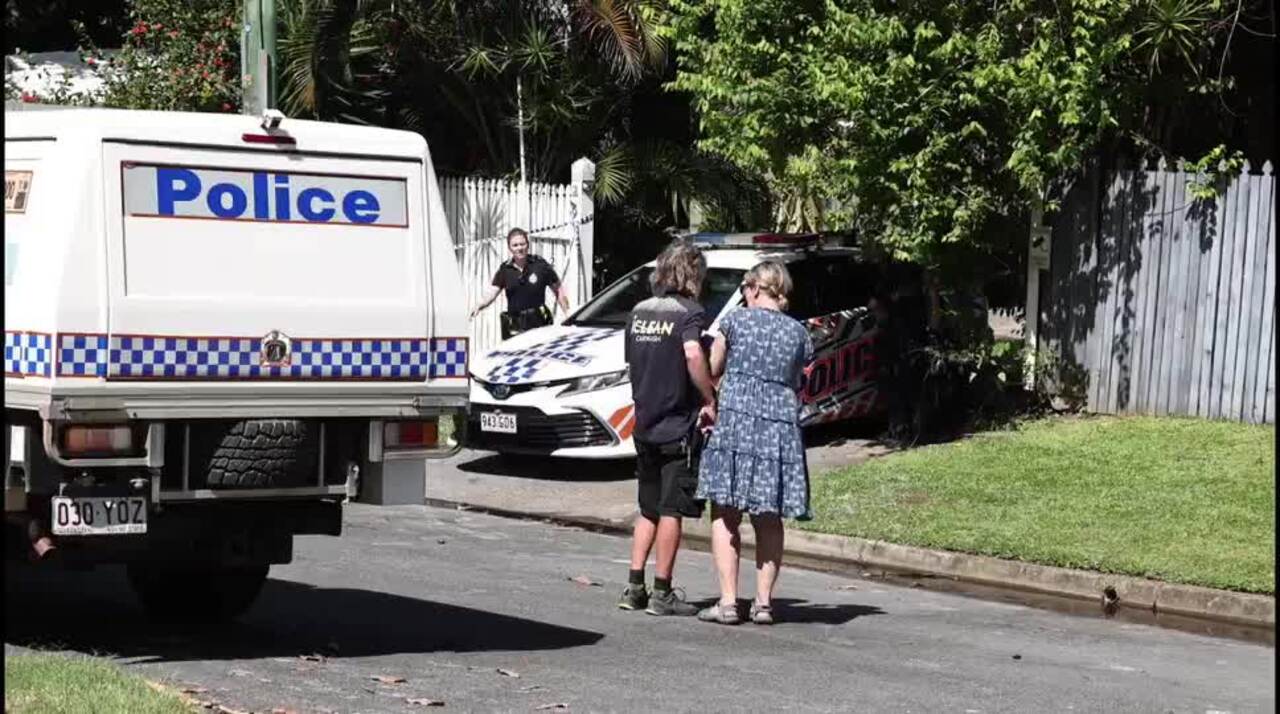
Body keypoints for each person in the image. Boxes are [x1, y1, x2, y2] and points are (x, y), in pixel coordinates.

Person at [695, 260, 814, 625]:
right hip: (779, 426)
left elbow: (713, 367)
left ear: (755, 288)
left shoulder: (733, 321)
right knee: (768, 514)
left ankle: (729, 603)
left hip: (736, 421)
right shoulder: (799, 333)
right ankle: (763, 603)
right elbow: (799, 378)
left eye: (746, 287)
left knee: (725, 512)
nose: (744, 294)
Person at [617, 238, 717, 617]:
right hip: (678, 424)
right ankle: (662, 592)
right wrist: (708, 397)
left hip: (644, 420)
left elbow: (632, 360)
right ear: (692, 273)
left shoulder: (638, 312)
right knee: (672, 509)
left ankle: (634, 586)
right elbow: (692, 353)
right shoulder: (689, 312)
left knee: (648, 508)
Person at [470, 228, 571, 339]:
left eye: (522, 244)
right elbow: (493, 291)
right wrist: (479, 305)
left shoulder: (540, 265)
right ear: (510, 248)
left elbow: (558, 290)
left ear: (528, 245)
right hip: (515, 325)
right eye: (515, 245)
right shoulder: (505, 269)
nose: (519, 248)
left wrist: (568, 313)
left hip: (539, 322)